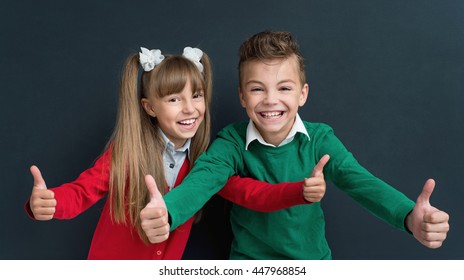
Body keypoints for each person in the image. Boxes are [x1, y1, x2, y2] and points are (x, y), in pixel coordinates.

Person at [141, 31, 450, 260]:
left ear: (302, 94)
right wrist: (167, 213)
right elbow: (203, 179)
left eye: (284, 88)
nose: (271, 99)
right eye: (257, 89)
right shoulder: (231, 142)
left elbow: (362, 183)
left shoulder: (320, 140)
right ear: (242, 97)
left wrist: (410, 216)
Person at [25, 45, 327, 259]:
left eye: (196, 96)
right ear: (149, 107)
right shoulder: (127, 153)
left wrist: (299, 191)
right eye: (173, 99)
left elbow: (250, 194)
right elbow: (81, 192)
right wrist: (51, 203)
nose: (189, 108)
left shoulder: (205, 162)